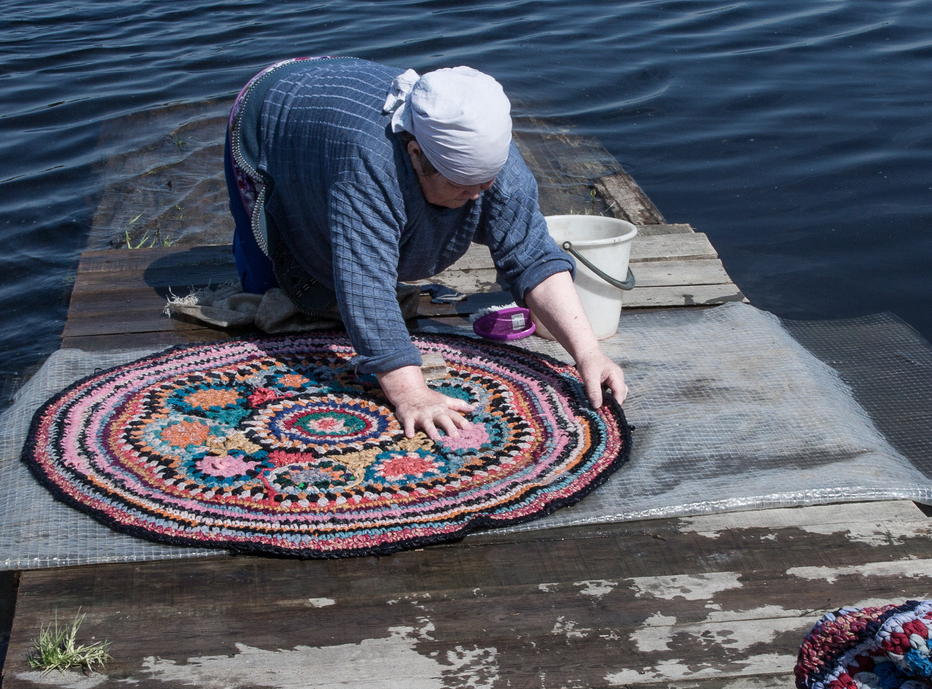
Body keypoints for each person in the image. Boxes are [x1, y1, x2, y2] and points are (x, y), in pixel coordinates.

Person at [224, 57, 629, 441]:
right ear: (415, 153)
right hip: (276, 108)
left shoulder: (490, 157)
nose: (476, 197)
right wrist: (411, 394)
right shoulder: (367, 165)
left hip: (338, 93)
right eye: (460, 184)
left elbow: (533, 255)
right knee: (276, 281)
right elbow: (366, 285)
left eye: (485, 183)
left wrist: (588, 353)